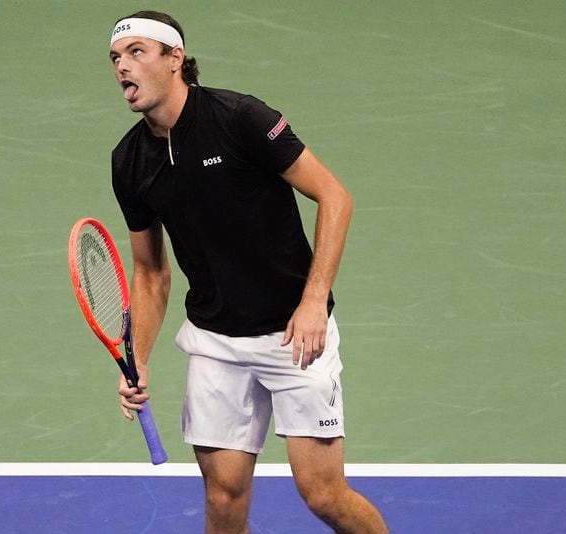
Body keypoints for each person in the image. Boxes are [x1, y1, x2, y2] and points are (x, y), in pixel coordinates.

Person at [107, 10, 389, 534]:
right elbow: (149, 272)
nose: (123, 66)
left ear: (175, 59)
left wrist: (313, 302)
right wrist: (138, 357)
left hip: (293, 333)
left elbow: (335, 196)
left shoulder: (241, 118)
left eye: (137, 52)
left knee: (324, 495)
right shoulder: (129, 162)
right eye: (116, 58)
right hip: (215, 341)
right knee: (223, 498)